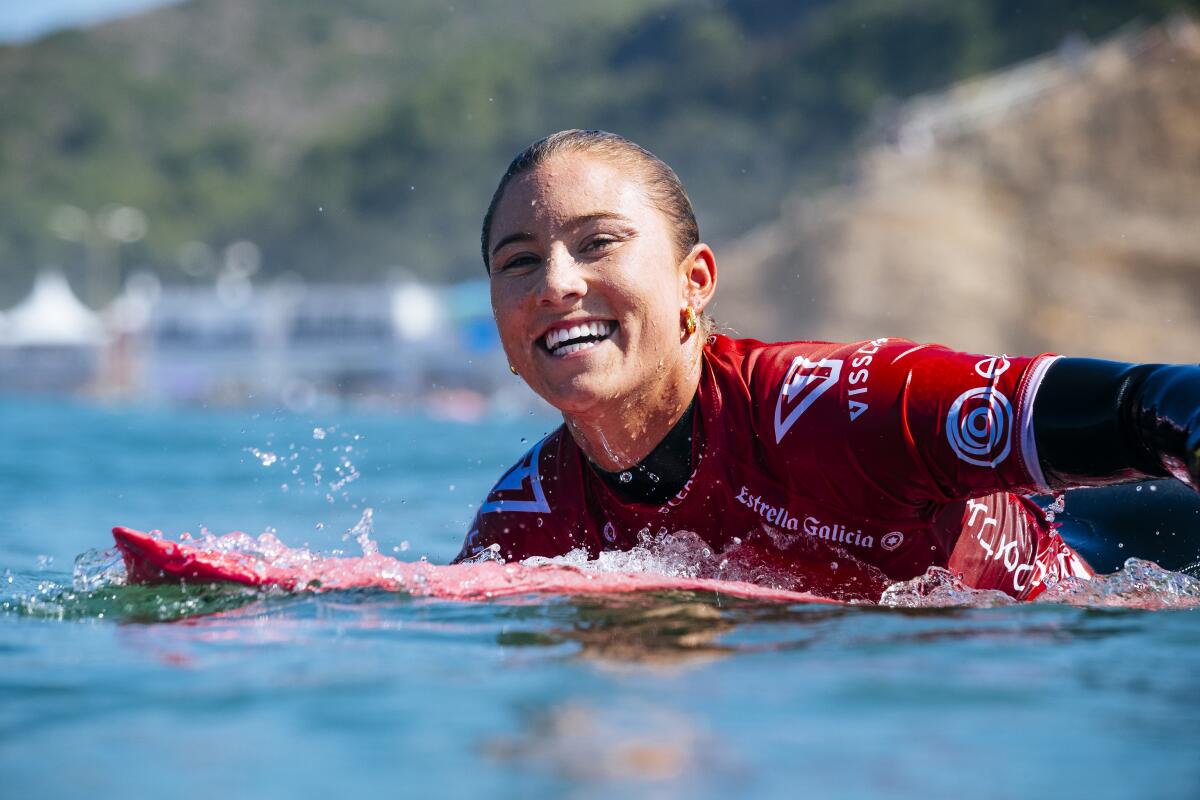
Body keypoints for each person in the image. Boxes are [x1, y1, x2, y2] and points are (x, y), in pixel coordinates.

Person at [454, 129, 1200, 602]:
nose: (554, 283)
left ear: (695, 282)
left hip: (1122, 567)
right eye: (518, 262)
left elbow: (1152, 402)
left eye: (598, 243)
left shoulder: (840, 407)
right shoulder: (524, 524)